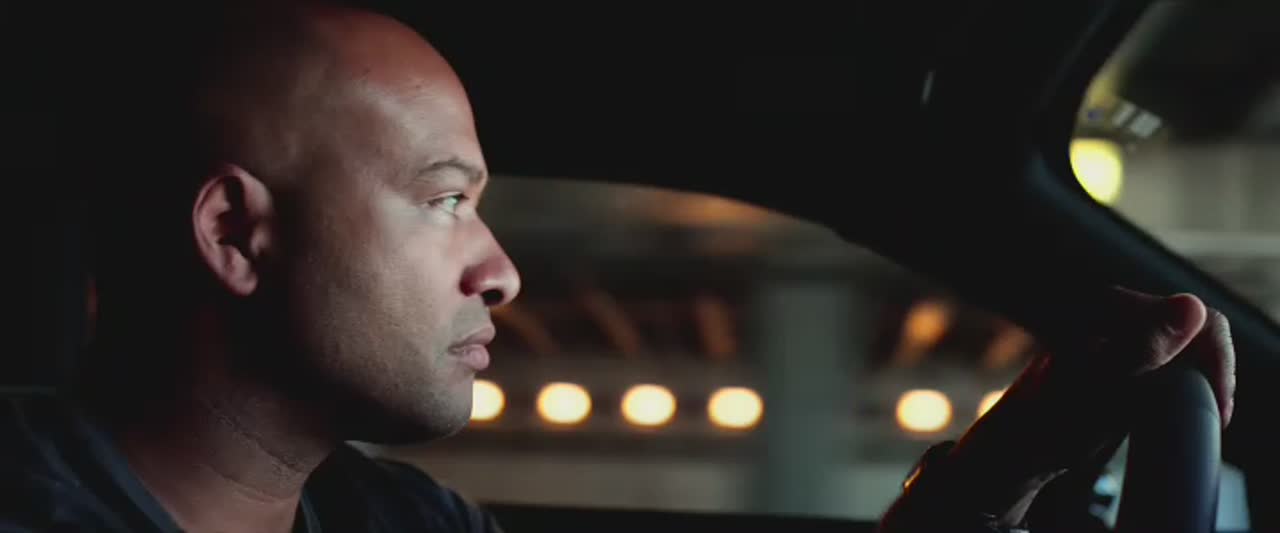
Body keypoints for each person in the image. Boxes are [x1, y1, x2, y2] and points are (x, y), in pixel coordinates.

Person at [2, 1, 1235, 532]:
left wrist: (1008, 463)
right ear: (234, 234)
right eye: (444, 201)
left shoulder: (389, 514)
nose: (500, 271)